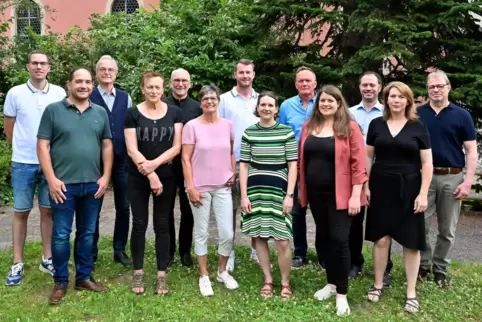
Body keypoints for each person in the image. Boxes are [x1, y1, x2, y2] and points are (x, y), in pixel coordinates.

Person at [37, 67, 113, 304]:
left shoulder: (99, 112)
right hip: (62, 186)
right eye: (79, 81)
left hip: (93, 184)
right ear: (69, 84)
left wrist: (105, 176)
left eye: (88, 82)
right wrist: (51, 179)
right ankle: (60, 281)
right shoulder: (53, 111)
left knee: (87, 233)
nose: (83, 86)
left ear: (92, 85)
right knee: (60, 235)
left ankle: (83, 277)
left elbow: (107, 145)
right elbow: (42, 146)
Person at [298, 85, 367, 316]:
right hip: (316, 194)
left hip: (343, 195)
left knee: (339, 240)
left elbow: (359, 164)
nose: (326, 104)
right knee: (325, 237)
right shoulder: (309, 127)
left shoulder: (350, 127)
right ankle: (330, 283)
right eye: (322, 101)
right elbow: (302, 160)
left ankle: (342, 293)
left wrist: (356, 194)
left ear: (339, 104)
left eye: (331, 101)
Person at [364, 81, 433, 313]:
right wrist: (365, 186)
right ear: (386, 100)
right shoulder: (376, 125)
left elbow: (427, 163)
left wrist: (423, 193)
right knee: (381, 239)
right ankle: (377, 284)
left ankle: (411, 292)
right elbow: (368, 158)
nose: (395, 100)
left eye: (400, 97)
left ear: (408, 100)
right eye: (391, 96)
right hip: (381, 186)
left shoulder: (418, 127)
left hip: (410, 188)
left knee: (411, 242)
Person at [3, 50, 66, 286]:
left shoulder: (59, 93)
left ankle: (47, 258)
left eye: (43, 63)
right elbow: (9, 128)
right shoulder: (15, 93)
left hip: (51, 164)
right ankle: (17, 262)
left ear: (49, 67)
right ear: (28, 66)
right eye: (35, 63)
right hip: (23, 163)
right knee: (21, 212)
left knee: (48, 211)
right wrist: (22, 149)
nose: (39, 67)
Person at [124, 71, 183, 295]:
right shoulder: (132, 113)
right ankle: (138, 271)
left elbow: (176, 147)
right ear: (142, 88)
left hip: (167, 177)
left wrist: (154, 166)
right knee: (139, 224)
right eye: (149, 87)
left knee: (162, 224)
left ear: (163, 89)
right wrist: (150, 174)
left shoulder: (175, 113)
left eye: (158, 87)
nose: (154, 91)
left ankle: (161, 274)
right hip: (138, 177)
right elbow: (131, 148)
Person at [418, 70, 477, 287]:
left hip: (452, 177)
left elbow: (471, 151)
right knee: (421, 224)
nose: (435, 90)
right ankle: (423, 266)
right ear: (427, 89)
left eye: (439, 86)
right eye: (431, 87)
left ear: (448, 87)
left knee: (447, 229)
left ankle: (440, 268)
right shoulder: (418, 114)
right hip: (424, 177)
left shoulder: (462, 115)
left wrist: (467, 181)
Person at [239, 91, 297, 300]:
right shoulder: (249, 133)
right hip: (256, 192)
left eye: (270, 105)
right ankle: (267, 280)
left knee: (282, 240)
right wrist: (244, 196)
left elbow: (292, 165)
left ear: (276, 109)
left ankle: (285, 283)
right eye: (262, 104)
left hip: (279, 192)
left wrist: (289, 195)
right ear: (258, 108)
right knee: (259, 236)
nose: (266, 108)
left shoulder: (286, 132)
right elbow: (244, 165)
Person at [182, 84, 239, 297]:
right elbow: (185, 158)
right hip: (200, 188)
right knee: (201, 231)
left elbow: (231, 151)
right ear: (200, 103)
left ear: (218, 101)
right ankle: (204, 275)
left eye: (213, 98)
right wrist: (191, 187)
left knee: (227, 232)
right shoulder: (191, 126)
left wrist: (231, 173)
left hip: (223, 186)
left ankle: (222, 271)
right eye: (205, 99)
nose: (209, 102)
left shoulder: (228, 125)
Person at [348, 71, 393, 286]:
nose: (368, 88)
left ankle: (385, 267)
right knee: (354, 220)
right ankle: (354, 262)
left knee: (383, 219)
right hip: (354, 173)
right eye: (364, 85)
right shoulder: (348, 113)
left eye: (372, 85)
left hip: (382, 173)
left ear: (379, 87)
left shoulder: (389, 112)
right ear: (359, 87)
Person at [87, 55, 133, 266]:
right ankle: (91, 250)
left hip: (122, 161)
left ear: (116, 73)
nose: (107, 72)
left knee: (123, 207)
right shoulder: (88, 96)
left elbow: (130, 128)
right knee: (93, 207)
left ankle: (119, 249)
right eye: (103, 69)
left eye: (110, 69)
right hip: (95, 161)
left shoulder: (126, 98)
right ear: (96, 73)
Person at [218, 59, 260, 271]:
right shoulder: (224, 100)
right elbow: (218, 132)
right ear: (235, 74)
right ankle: (230, 251)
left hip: (258, 164)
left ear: (253, 74)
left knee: (256, 209)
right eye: (241, 72)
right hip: (232, 163)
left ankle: (256, 250)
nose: (245, 76)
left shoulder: (261, 100)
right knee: (230, 210)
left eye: (248, 72)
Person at [278, 66, 319, 269]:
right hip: (293, 166)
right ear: (296, 84)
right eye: (300, 81)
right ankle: (300, 252)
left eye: (308, 81)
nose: (304, 84)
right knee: (296, 211)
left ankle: (323, 254)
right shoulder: (286, 106)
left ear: (315, 84)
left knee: (321, 211)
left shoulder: (324, 103)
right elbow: (280, 134)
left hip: (320, 165)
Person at [163, 68, 202, 267]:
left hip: (190, 166)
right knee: (166, 209)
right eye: (176, 80)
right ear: (170, 83)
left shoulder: (197, 108)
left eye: (184, 80)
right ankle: (168, 250)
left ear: (190, 83)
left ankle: (185, 251)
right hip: (167, 166)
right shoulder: (162, 105)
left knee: (188, 210)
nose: (180, 84)